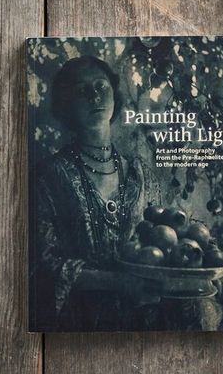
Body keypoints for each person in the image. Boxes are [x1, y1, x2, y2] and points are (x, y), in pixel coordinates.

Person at [30, 56, 159, 331]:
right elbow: (44, 264)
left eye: (101, 86)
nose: (94, 95)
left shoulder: (140, 173)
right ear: (66, 104)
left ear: (114, 93)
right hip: (76, 323)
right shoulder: (49, 174)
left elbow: (159, 244)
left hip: (141, 322)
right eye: (81, 89)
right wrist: (118, 283)